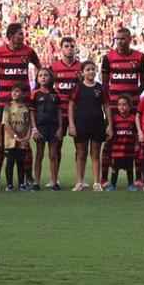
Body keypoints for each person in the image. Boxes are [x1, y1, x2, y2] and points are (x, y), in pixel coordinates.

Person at [0, 23, 41, 182]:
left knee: (25, 140)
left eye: (22, 34)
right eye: (19, 34)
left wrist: (36, 87)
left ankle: (28, 176)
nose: (22, 37)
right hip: (3, 103)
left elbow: (40, 67)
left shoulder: (29, 51)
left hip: (24, 103)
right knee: (1, 142)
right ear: (10, 36)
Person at [99, 27, 144, 186]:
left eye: (123, 38)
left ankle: (138, 178)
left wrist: (133, 97)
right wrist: (110, 103)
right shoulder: (108, 58)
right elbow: (105, 84)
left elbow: (143, 82)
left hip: (134, 108)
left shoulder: (140, 57)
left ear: (130, 39)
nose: (119, 41)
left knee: (135, 142)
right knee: (109, 141)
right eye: (117, 38)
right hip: (114, 108)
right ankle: (105, 179)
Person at [48, 37, 83, 187]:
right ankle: (54, 179)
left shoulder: (81, 67)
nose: (69, 48)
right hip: (59, 112)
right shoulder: (54, 67)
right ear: (61, 49)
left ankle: (80, 180)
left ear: (75, 48)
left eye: (72, 46)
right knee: (56, 146)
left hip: (77, 113)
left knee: (80, 147)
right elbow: (46, 89)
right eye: (66, 46)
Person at [69, 60, 107, 191]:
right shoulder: (78, 87)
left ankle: (97, 182)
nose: (91, 71)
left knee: (95, 154)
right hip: (81, 124)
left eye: (93, 69)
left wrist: (109, 125)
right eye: (88, 69)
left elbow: (106, 106)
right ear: (82, 72)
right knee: (81, 153)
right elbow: (71, 105)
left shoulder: (100, 87)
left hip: (97, 124)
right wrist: (72, 124)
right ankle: (80, 182)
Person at [29, 68, 62, 191]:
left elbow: (59, 112)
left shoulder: (55, 93)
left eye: (46, 75)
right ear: (37, 79)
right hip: (40, 127)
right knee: (39, 154)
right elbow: (32, 112)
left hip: (53, 127)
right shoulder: (35, 93)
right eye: (40, 75)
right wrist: (34, 129)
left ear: (50, 78)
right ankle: (36, 182)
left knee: (53, 155)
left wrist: (60, 128)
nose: (43, 77)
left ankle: (54, 182)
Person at [1, 84, 32, 191]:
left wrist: (27, 137)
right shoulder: (8, 106)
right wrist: (14, 136)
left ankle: (21, 184)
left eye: (17, 91)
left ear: (22, 94)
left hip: (22, 141)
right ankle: (9, 184)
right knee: (10, 162)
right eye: (13, 91)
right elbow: (6, 124)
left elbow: (29, 124)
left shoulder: (25, 108)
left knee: (21, 163)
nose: (15, 93)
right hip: (10, 141)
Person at [108, 96, 138, 190]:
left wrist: (137, 144)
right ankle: (113, 185)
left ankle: (130, 184)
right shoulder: (114, 119)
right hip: (117, 150)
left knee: (129, 168)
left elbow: (136, 133)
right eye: (120, 105)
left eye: (124, 104)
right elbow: (110, 133)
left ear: (129, 106)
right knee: (115, 168)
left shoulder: (133, 119)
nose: (122, 107)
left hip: (129, 149)